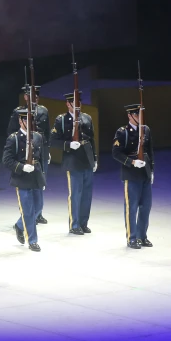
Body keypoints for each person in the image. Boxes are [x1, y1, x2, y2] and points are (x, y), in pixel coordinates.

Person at [50, 91, 98, 235]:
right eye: (73, 103)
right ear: (68, 104)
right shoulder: (62, 120)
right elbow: (53, 140)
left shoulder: (87, 118)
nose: (77, 106)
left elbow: (92, 139)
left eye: (79, 103)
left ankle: (84, 223)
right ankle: (74, 224)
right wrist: (68, 145)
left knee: (87, 194)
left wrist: (94, 158)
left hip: (86, 158)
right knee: (75, 194)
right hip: (73, 160)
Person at [111, 104, 154, 249]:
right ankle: (132, 237)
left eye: (140, 115)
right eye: (136, 115)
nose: (139, 118)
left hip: (145, 173)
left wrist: (152, 170)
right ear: (130, 116)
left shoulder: (146, 130)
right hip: (131, 173)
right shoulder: (123, 132)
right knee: (132, 207)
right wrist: (132, 162)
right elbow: (116, 153)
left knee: (146, 207)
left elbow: (150, 151)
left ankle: (143, 236)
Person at [3, 109, 45, 252]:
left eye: (31, 120)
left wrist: (42, 178)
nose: (29, 122)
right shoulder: (14, 138)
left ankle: (20, 225)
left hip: (36, 176)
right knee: (28, 210)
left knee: (38, 207)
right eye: (26, 120)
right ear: (20, 121)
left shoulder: (38, 137)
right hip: (22, 178)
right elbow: (6, 160)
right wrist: (21, 167)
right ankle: (32, 240)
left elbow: (41, 159)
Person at [7, 85, 50, 224]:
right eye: (31, 96)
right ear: (25, 97)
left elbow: (47, 133)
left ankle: (38, 213)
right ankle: (26, 215)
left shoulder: (43, 110)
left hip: (39, 150)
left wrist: (46, 152)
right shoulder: (19, 112)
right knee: (25, 186)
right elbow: (11, 131)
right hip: (23, 151)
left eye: (37, 96)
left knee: (39, 182)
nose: (35, 98)